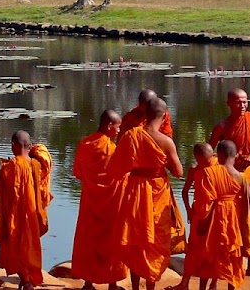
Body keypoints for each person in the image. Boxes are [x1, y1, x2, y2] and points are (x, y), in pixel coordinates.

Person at [109, 98, 185, 290]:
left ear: (145, 114)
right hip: (158, 190)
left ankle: (135, 287)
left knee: (135, 240)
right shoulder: (166, 142)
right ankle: (150, 286)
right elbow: (178, 172)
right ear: (165, 115)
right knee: (155, 241)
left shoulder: (130, 136)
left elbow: (115, 169)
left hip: (134, 190)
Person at [210, 88, 250, 278]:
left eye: (245, 102)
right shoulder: (223, 125)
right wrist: (230, 159)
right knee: (230, 221)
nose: (243, 105)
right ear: (229, 103)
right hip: (230, 180)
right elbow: (210, 150)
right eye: (239, 102)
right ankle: (227, 264)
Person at [71, 109, 128, 290]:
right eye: (118, 127)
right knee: (111, 240)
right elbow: (122, 176)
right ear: (109, 125)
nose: (119, 131)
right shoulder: (113, 150)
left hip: (90, 202)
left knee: (89, 240)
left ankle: (88, 283)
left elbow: (77, 172)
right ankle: (113, 284)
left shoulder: (84, 144)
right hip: (111, 204)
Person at [0, 130, 53, 290]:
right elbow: (43, 186)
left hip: (14, 216)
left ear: (14, 146)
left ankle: (25, 279)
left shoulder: (10, 167)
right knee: (30, 245)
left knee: (14, 246)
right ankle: (28, 278)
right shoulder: (36, 164)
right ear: (29, 146)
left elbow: (3, 193)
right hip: (32, 215)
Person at [188, 140, 250, 290]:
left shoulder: (209, 172)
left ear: (219, 156)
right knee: (233, 256)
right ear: (236, 156)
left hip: (213, 220)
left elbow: (205, 201)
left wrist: (202, 222)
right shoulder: (242, 177)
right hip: (233, 221)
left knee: (208, 255)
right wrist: (244, 223)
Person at [169, 143, 216, 290]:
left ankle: (213, 284)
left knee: (214, 249)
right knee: (193, 250)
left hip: (215, 215)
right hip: (198, 213)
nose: (207, 163)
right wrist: (189, 210)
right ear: (197, 158)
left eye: (209, 159)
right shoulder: (195, 170)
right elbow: (185, 191)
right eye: (204, 160)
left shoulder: (218, 167)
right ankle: (185, 283)